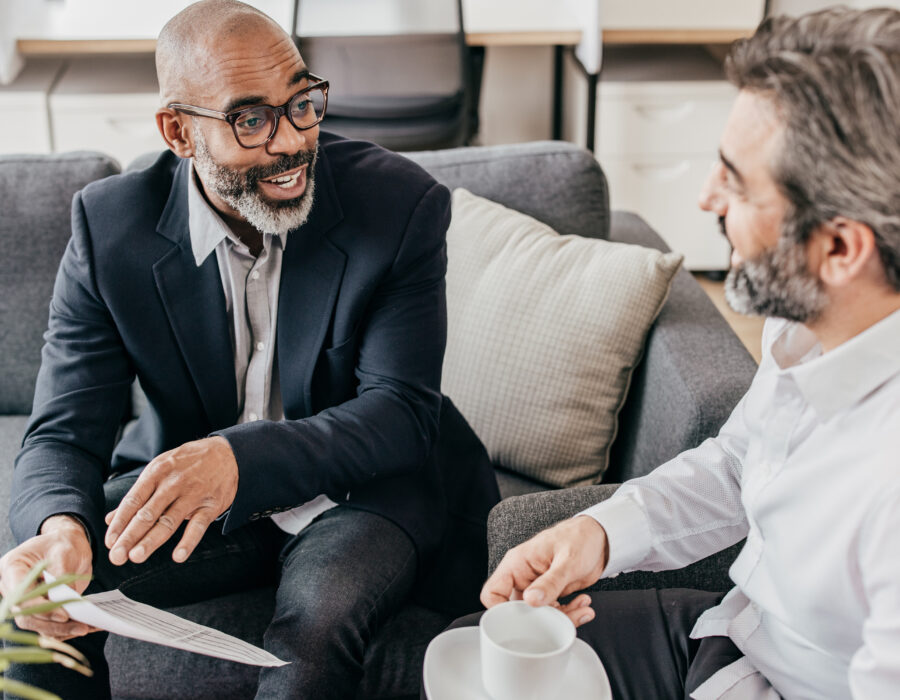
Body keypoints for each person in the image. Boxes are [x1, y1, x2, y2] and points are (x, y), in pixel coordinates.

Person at [0, 1, 497, 698]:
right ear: (178, 131)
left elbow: (401, 413)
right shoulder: (109, 228)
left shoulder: (398, 204)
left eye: (301, 103)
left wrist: (237, 460)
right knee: (36, 604)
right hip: (195, 503)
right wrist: (59, 527)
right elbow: (63, 431)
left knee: (314, 632)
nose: (293, 141)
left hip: (357, 493)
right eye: (250, 119)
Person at [475, 7, 900, 699]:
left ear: (840, 248)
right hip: (733, 638)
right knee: (471, 656)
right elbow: (738, 464)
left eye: (734, 180)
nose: (707, 199)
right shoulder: (811, 334)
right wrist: (596, 535)